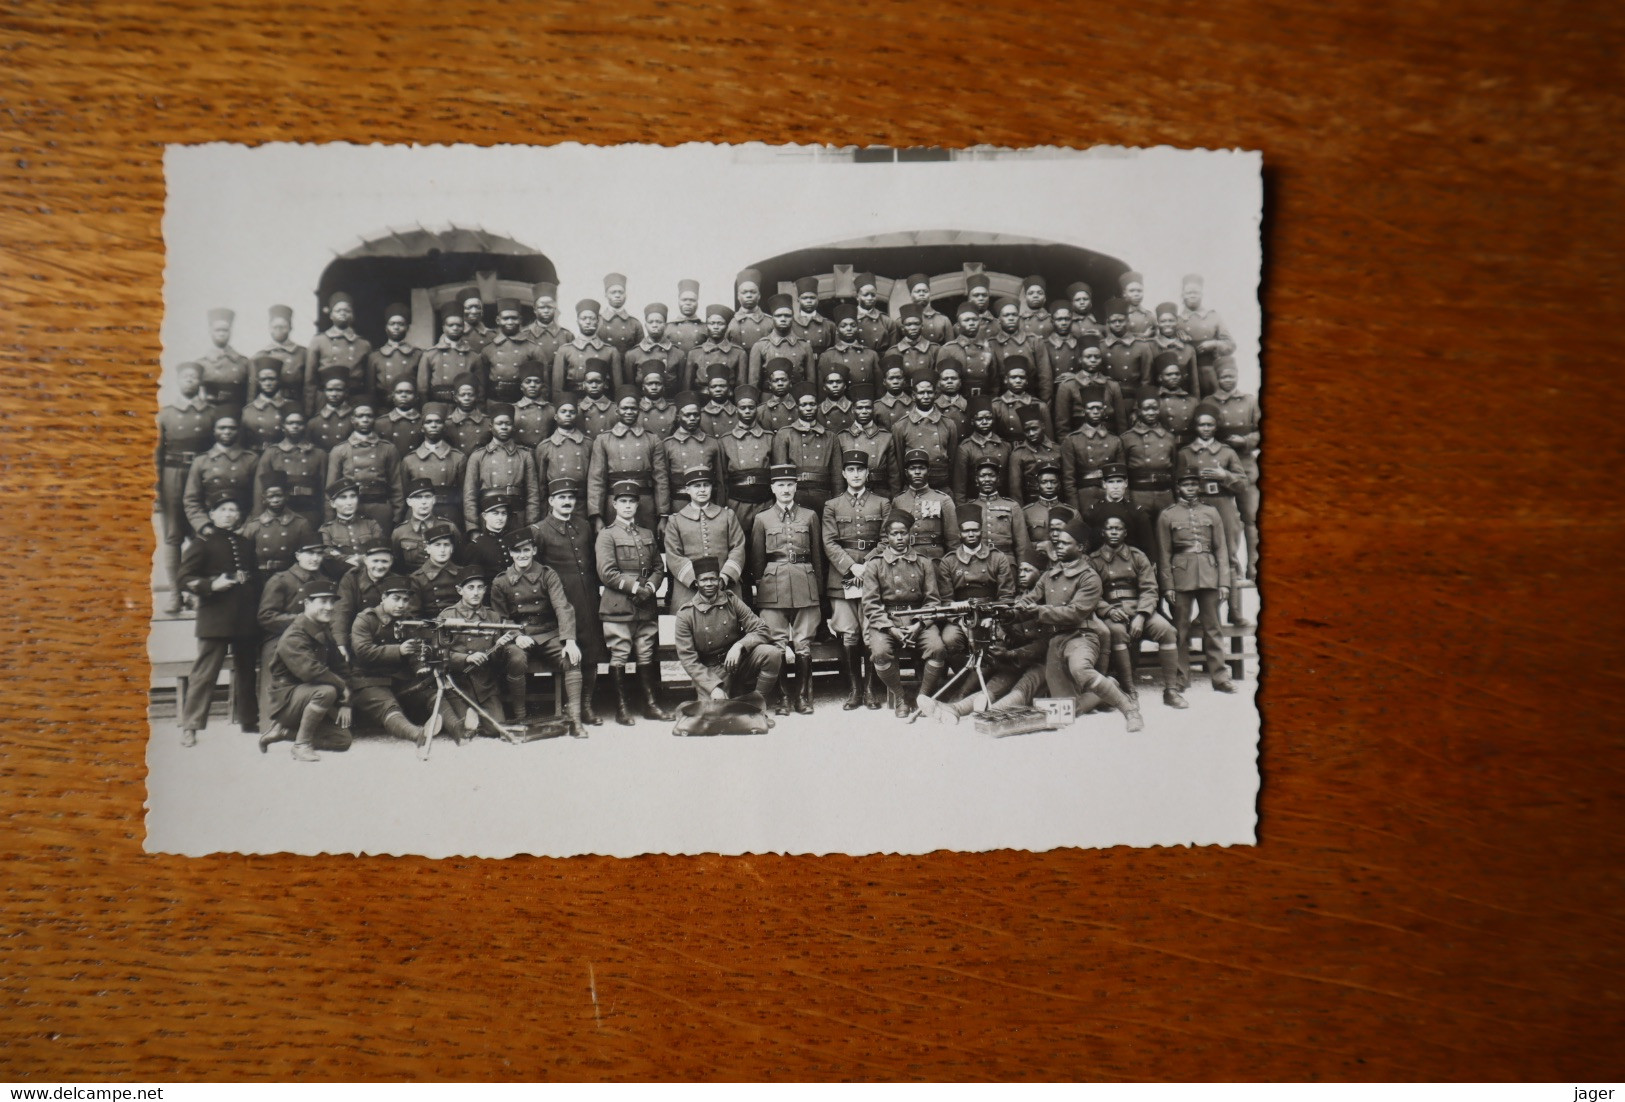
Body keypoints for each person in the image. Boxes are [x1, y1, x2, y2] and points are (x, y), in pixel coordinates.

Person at [1019, 515, 1144, 730]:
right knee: (1068, 709)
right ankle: (1108, 687)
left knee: (1081, 669)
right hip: (1056, 641)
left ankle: (1130, 710)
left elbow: (1075, 613)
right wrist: (1011, 608)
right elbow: (1029, 598)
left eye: (1066, 543)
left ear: (1081, 547)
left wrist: (1039, 610)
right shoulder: (1050, 574)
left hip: (1082, 636)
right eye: (1058, 543)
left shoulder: (1089, 578)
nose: (1059, 547)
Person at [176, 489, 260, 745]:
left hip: (245, 618)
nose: (228, 514)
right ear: (212, 514)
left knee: (247, 672)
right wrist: (210, 586)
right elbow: (183, 578)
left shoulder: (245, 544)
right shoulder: (201, 544)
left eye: (233, 510)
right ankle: (190, 726)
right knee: (204, 674)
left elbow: (254, 578)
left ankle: (248, 720)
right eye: (223, 510)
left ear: (239, 516)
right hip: (215, 619)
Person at [490, 530, 586, 737]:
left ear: (533, 550)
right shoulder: (501, 582)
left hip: (547, 632)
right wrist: (516, 635)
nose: (522, 555)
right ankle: (521, 716)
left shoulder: (547, 574)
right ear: (510, 554)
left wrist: (569, 640)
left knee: (572, 658)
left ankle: (576, 721)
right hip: (519, 634)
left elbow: (563, 607)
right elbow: (500, 618)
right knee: (515, 658)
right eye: (517, 551)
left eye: (526, 550)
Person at [749, 464, 824, 716]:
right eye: (780, 485)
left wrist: (819, 591)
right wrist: (760, 590)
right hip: (773, 587)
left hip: (805, 582)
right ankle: (783, 698)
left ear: (796, 487)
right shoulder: (762, 519)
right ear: (772, 488)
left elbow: (817, 556)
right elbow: (757, 560)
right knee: (777, 643)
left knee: (803, 644)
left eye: (790, 484)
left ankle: (802, 697)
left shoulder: (810, 516)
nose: (786, 489)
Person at [596, 480, 672, 724]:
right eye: (623, 502)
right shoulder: (607, 535)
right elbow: (607, 572)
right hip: (618, 605)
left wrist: (650, 587)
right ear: (615, 504)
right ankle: (621, 707)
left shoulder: (647, 534)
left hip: (645, 605)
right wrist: (635, 587)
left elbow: (659, 567)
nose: (627, 506)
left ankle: (650, 704)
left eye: (632, 502)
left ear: (637, 505)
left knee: (645, 652)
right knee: (619, 653)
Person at [531, 477, 605, 726]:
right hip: (561, 601)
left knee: (591, 651)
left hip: (588, 598)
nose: (567, 502)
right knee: (571, 652)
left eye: (571, 497)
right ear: (551, 501)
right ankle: (569, 704)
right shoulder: (539, 530)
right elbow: (538, 572)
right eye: (561, 498)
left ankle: (586, 706)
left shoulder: (583, 526)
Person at [1091, 515, 1185, 710]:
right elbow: (1090, 593)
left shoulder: (1137, 556)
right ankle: (1129, 691)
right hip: (1113, 613)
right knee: (1116, 632)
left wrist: (1142, 616)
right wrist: (1108, 610)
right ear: (1103, 533)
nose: (1114, 532)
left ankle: (1171, 690)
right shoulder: (1094, 560)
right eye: (1110, 528)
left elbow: (1150, 589)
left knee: (1167, 630)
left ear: (1125, 533)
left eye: (1119, 529)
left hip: (1140, 610)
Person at [862, 508, 947, 718]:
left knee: (937, 648)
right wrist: (890, 628)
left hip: (918, 618)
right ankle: (900, 697)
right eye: (894, 534)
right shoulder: (875, 564)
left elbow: (932, 599)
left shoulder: (924, 562)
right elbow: (871, 603)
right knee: (880, 653)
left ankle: (923, 698)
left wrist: (919, 624)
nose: (899, 538)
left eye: (903, 533)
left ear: (910, 534)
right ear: (887, 536)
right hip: (887, 620)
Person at [822, 450, 890, 710]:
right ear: (843, 474)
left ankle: (872, 689)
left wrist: (867, 565)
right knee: (849, 635)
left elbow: (885, 540)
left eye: (860, 470)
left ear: (867, 473)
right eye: (850, 470)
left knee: (870, 634)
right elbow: (829, 542)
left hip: (872, 577)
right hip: (843, 578)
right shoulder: (832, 505)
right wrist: (851, 566)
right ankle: (855, 689)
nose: (855, 474)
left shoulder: (882, 503)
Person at [1159, 469, 1236, 694]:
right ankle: (1181, 677)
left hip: (1209, 573)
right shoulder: (1168, 515)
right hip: (1181, 574)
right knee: (1180, 629)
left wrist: (1224, 582)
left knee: (1213, 627)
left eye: (1194, 484)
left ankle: (1220, 677)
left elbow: (1222, 549)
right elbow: (1164, 553)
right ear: (1178, 488)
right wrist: (1168, 585)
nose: (1191, 488)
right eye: (1186, 484)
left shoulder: (1211, 512)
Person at [674, 556, 787, 707]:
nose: (709, 584)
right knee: (715, 714)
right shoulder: (685, 614)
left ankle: (757, 704)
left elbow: (762, 629)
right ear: (696, 582)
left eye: (713, 579)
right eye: (704, 580)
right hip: (711, 671)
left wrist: (739, 645)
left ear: (719, 580)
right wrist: (713, 687)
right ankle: (732, 699)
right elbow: (688, 660)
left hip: (738, 661)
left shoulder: (731, 600)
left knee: (772, 653)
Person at [263, 578, 354, 762]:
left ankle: (285, 732)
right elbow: (310, 671)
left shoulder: (321, 629)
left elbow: (341, 667)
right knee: (326, 690)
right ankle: (301, 745)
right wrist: (341, 687)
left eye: (331, 602)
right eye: (323, 602)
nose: (329, 607)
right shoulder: (294, 634)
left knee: (342, 741)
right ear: (306, 603)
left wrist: (346, 702)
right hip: (287, 701)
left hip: (308, 696)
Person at [1178, 404, 1250, 626]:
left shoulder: (1227, 452)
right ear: (1196, 426)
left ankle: (1235, 611)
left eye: (1210, 424)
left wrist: (1224, 475)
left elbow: (1243, 483)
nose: (1206, 428)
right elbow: (1177, 484)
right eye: (1201, 424)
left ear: (1216, 426)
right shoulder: (1186, 453)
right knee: (1203, 557)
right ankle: (1204, 614)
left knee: (1228, 556)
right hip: (1198, 507)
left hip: (1223, 505)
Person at [255, 537, 326, 747]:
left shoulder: (322, 578)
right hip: (280, 637)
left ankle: (307, 724)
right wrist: (299, 621)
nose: (315, 558)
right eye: (310, 553)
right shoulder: (281, 580)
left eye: (319, 554)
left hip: (314, 638)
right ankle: (271, 724)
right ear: (298, 556)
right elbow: (266, 616)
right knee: (277, 661)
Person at [347, 576, 432, 750]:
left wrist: (420, 668)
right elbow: (363, 652)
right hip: (367, 680)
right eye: (396, 599)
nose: (401, 605)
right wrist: (399, 650)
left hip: (397, 680)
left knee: (430, 692)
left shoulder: (408, 620)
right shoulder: (365, 619)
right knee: (388, 706)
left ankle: (457, 727)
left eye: (405, 600)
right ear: (383, 597)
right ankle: (415, 734)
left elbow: (415, 651)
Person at [156, 361, 215, 613]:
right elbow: (156, 455)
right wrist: (156, 489)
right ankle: (174, 593)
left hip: (201, 474)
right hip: (173, 476)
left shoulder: (211, 413)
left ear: (200, 381)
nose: (190, 380)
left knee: (200, 534)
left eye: (194, 377)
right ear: (179, 381)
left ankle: (194, 590)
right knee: (173, 536)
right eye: (185, 377)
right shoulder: (166, 414)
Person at [935, 502, 1018, 674]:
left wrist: (994, 617)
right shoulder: (949, 561)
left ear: (982, 531)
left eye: (975, 530)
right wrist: (960, 622)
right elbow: (946, 600)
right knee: (949, 639)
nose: (971, 534)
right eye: (966, 531)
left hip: (992, 613)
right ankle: (966, 681)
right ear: (960, 533)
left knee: (1001, 640)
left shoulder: (998, 558)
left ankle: (993, 680)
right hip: (960, 616)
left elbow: (1006, 595)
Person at [435, 566, 516, 740]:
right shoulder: (447, 616)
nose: (476, 592)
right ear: (459, 590)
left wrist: (499, 646)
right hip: (458, 684)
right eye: (470, 588)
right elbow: (440, 652)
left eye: (480, 587)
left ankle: (478, 721)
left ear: (485, 590)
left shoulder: (493, 618)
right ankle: (469, 720)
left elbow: (497, 661)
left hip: (485, 684)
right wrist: (466, 658)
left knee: (496, 729)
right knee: (465, 725)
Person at [587, 386, 670, 533]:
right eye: (625, 408)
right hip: (614, 503)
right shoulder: (603, 440)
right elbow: (596, 479)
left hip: (645, 502)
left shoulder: (652, 439)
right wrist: (597, 515)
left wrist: (663, 515)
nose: (629, 412)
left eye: (633, 408)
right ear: (617, 410)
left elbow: (661, 479)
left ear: (639, 410)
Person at [664, 466, 746, 610]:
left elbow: (738, 548)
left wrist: (725, 576)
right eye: (697, 486)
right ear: (687, 490)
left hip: (724, 587)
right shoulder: (675, 520)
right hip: (688, 590)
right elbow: (673, 555)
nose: (702, 490)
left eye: (706, 485)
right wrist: (696, 580)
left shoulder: (727, 516)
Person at [1206, 360, 1260, 580]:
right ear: (1217, 379)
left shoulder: (1249, 401)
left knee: (1251, 518)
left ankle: (1255, 567)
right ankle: (1232, 568)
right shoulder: (1210, 402)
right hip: (1220, 466)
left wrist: (1245, 441)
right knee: (1228, 522)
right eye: (1223, 377)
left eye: (1231, 376)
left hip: (1246, 467)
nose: (1227, 381)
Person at [326, 402, 405, 531]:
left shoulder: (388, 448)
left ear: (374, 419)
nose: (365, 420)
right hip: (351, 510)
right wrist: (330, 519)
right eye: (360, 416)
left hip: (380, 509)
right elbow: (330, 490)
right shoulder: (340, 450)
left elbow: (397, 486)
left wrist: (397, 516)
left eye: (369, 416)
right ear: (352, 419)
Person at [462, 403, 542, 530]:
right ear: (490, 427)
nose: (504, 427)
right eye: (499, 424)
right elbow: (469, 496)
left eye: (508, 424)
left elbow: (533, 494)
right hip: (489, 518)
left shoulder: (524, 455)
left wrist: (531, 524)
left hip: (517, 517)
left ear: (513, 427)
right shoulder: (478, 456)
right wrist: (473, 527)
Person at [182, 410, 258, 538]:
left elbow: (258, 500)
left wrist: (247, 527)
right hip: (209, 529)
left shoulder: (251, 459)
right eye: (222, 428)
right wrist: (204, 526)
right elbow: (191, 500)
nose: (227, 432)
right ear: (214, 431)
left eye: (232, 428)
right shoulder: (201, 461)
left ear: (238, 431)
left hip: (243, 529)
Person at [771, 381, 839, 514]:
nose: (808, 408)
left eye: (812, 404)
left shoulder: (831, 437)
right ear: (797, 408)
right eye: (804, 405)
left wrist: (836, 503)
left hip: (823, 496)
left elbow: (837, 476)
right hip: (795, 496)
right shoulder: (785, 434)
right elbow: (780, 474)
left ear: (818, 406)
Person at [303, 292, 372, 415]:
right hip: (326, 400)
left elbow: (368, 383)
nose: (342, 313)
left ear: (352, 315)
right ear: (331, 315)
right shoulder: (319, 341)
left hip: (354, 399)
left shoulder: (363, 344)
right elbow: (310, 380)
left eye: (347, 310)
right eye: (338, 310)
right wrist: (309, 410)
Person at [719, 385, 775, 535]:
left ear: (757, 408)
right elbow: (722, 478)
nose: (747, 411)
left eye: (751, 407)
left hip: (765, 501)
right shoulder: (726, 440)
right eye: (742, 408)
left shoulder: (769, 438)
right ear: (736, 409)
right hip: (738, 503)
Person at [890, 369, 958, 493]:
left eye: (929, 392)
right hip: (913, 489)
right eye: (921, 393)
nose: (926, 396)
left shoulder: (948, 424)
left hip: (941, 487)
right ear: (914, 396)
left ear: (936, 394)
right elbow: (899, 463)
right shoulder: (901, 426)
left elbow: (953, 462)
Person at [401, 403, 466, 529]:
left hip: (449, 512)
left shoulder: (458, 458)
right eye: (429, 422)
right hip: (418, 514)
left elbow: (463, 494)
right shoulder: (409, 460)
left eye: (438, 422)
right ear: (422, 427)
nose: (433, 425)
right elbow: (404, 494)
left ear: (444, 427)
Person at [1060, 384, 1124, 513]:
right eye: (1091, 408)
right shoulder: (1072, 440)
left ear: (1104, 411)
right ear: (1084, 411)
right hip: (1084, 496)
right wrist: (1075, 508)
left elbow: (1122, 476)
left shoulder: (1114, 440)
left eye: (1099, 408)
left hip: (1110, 495)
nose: (1095, 411)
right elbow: (1068, 479)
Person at [333, 543, 402, 660]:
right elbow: (342, 611)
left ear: (391, 562)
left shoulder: (397, 581)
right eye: (375, 561)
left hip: (388, 638)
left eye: (384, 561)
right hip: (358, 637)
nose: (379, 566)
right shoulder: (351, 578)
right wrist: (340, 643)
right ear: (365, 560)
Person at [240, 470, 316, 576]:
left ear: (286, 496)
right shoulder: (253, 526)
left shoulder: (301, 524)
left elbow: (310, 556)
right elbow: (244, 558)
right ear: (264, 499)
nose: (275, 500)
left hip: (291, 575)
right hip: (260, 577)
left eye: (279, 495)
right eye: (271, 496)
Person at [1123, 389, 1178, 528]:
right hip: (1139, 495)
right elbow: (1123, 472)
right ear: (1139, 411)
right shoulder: (1127, 438)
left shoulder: (1169, 438)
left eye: (1154, 408)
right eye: (1146, 409)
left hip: (1164, 494)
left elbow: (1175, 470)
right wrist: (1127, 498)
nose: (1151, 412)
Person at [891, 449, 958, 562]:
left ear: (929, 471)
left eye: (922, 468)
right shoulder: (898, 501)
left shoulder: (943, 500)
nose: (917, 472)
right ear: (906, 472)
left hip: (934, 559)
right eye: (912, 468)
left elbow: (953, 540)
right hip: (905, 558)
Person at [834, 383, 900, 498]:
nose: (864, 411)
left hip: (880, 493)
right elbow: (838, 476)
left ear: (873, 409)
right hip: (851, 494)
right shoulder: (842, 437)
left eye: (868, 407)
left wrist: (895, 499)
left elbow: (894, 475)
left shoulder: (886, 437)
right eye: (859, 408)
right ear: (853, 410)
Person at [662, 395, 727, 508]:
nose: (692, 418)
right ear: (678, 416)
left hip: (707, 503)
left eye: (696, 415)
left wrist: (720, 505)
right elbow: (664, 482)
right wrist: (665, 511)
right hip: (679, 503)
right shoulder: (668, 445)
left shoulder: (712, 443)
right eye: (687, 415)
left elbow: (721, 480)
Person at [475, 298, 544, 405]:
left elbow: (544, 383)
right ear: (498, 320)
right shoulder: (488, 350)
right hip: (495, 402)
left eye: (514, 318)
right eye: (506, 318)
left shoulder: (533, 349)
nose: (510, 322)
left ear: (520, 320)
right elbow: (482, 382)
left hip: (522, 404)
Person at [553, 299, 624, 402]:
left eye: (591, 318)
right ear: (577, 321)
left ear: (598, 321)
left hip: (603, 404)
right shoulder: (565, 350)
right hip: (574, 404)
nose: (588, 322)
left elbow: (618, 389)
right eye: (583, 318)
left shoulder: (610, 351)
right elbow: (557, 389)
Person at [966, 456, 1033, 564]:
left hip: (1006, 561)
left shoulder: (1012, 506)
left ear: (998, 479)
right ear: (976, 480)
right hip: (978, 562)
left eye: (991, 475)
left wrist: (1023, 568)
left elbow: (1022, 544)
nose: (987, 479)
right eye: (982, 476)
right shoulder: (969, 507)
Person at [1082, 463, 1156, 558]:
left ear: (1126, 483)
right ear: (1104, 484)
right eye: (1111, 482)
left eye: (1119, 481)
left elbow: (1147, 545)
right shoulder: (1093, 512)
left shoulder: (1136, 512)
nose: (1115, 486)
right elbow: (1088, 546)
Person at [1177, 274, 1234, 397]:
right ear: (1182, 295)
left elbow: (1230, 346)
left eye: (1196, 292)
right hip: (1185, 374)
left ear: (1201, 294)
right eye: (1188, 292)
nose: (1192, 295)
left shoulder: (1213, 317)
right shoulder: (1177, 320)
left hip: (1209, 372)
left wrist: (1214, 344)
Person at [317, 478, 384, 581]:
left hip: (371, 577)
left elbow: (380, 548)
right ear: (333, 504)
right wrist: (351, 559)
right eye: (343, 497)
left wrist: (350, 558)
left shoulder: (371, 524)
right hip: (342, 579)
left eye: (353, 496)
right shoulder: (327, 529)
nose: (349, 502)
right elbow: (327, 556)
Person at [989, 296, 1053, 403]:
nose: (1011, 318)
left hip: (1030, 398)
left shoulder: (1033, 341)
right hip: (1002, 402)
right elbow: (992, 381)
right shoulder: (992, 344)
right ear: (999, 320)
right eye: (1006, 315)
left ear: (1019, 318)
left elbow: (1045, 376)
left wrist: (1044, 401)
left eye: (1014, 315)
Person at [748, 292, 815, 387]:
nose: (783, 319)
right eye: (778, 316)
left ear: (792, 318)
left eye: (787, 316)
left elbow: (810, 382)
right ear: (772, 318)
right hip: (768, 398)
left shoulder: (804, 346)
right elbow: (753, 382)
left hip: (796, 397)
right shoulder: (760, 346)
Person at [533, 393, 592, 501]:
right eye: (563, 411)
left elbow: (594, 480)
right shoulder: (545, 447)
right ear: (555, 416)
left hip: (581, 502)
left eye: (572, 412)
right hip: (555, 502)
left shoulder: (588, 444)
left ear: (576, 415)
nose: (568, 415)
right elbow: (541, 484)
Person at [418, 302, 478, 405]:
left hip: (464, 406)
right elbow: (422, 389)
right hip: (437, 406)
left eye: (459, 325)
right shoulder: (430, 354)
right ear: (443, 328)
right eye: (451, 325)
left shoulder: (473, 356)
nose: (455, 328)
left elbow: (479, 389)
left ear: (463, 327)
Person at [624, 302, 686, 397]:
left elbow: (681, 385)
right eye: (651, 322)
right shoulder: (633, 354)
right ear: (645, 325)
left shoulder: (678, 354)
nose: (654, 325)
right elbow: (631, 387)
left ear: (665, 325)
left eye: (659, 322)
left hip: (670, 402)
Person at [937, 302, 998, 397]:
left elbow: (994, 381)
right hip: (959, 401)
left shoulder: (988, 349)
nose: (971, 323)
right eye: (966, 320)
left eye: (975, 319)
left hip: (983, 400)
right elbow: (939, 382)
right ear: (958, 324)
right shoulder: (948, 349)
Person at [368, 303, 422, 408]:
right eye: (392, 324)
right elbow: (370, 390)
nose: (396, 327)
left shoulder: (417, 355)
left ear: (407, 328)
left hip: (409, 407)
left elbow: (421, 387)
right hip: (382, 407)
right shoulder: (374, 357)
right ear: (386, 327)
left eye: (401, 324)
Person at [255, 304, 308, 410]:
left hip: (296, 405)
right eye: (275, 327)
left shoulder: (303, 353)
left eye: (283, 326)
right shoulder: (261, 355)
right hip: (269, 408)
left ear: (290, 327)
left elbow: (309, 386)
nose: (278, 330)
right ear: (269, 328)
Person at [198, 306, 252, 409]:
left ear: (230, 332)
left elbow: (250, 396)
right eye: (217, 330)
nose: (221, 334)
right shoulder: (201, 364)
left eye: (225, 330)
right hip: (210, 414)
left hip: (236, 413)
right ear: (210, 331)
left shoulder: (243, 363)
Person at [1007, 405, 1062, 505]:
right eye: (1027, 430)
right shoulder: (1018, 454)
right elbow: (1016, 492)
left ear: (1043, 426)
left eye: (1034, 428)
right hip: (1031, 504)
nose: (1031, 433)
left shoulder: (1057, 450)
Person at [817, 301, 879, 387]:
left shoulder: (871, 354)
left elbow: (879, 386)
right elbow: (822, 387)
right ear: (837, 330)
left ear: (857, 328)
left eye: (853, 325)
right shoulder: (827, 356)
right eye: (843, 326)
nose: (849, 328)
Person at [408, 521, 464, 617]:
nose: (442, 550)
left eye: (446, 545)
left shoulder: (462, 573)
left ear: (452, 548)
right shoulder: (417, 579)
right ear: (428, 548)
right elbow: (414, 615)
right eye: (437, 545)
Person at [688, 303, 748, 391]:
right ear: (706, 326)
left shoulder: (738, 353)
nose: (715, 327)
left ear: (727, 327)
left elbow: (741, 385)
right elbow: (687, 386)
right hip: (700, 399)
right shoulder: (694, 353)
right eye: (712, 323)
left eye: (720, 324)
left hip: (728, 399)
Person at [523, 282, 574, 381]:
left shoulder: (566, 335)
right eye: (542, 307)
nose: (546, 311)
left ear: (555, 308)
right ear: (535, 309)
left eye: (549, 307)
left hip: (560, 383)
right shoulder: (525, 334)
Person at [991, 357, 1050, 443]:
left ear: (1027, 381)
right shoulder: (996, 406)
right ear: (1005, 380)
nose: (1018, 381)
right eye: (1013, 377)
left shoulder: (1040, 406)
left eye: (1022, 377)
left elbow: (1048, 440)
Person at [240, 359, 295, 451]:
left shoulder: (290, 407)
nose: (268, 383)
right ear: (258, 381)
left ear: (278, 380)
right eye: (263, 380)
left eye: (272, 379)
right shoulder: (248, 411)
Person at [1150, 302, 1202, 398]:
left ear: (1177, 321)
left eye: (1171, 320)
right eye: (1163, 321)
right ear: (1157, 322)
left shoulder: (1188, 349)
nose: (1167, 324)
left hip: (1183, 402)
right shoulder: (1151, 347)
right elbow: (1147, 380)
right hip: (1159, 401)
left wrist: (1195, 403)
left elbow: (1194, 383)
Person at [1100, 299, 1153, 391]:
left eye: (1121, 321)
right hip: (1109, 395)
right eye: (1113, 321)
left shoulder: (1141, 346)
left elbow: (1146, 379)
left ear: (1127, 320)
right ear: (1108, 323)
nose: (1117, 324)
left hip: (1133, 394)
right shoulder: (1101, 346)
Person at [392, 478, 442, 573]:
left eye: (428, 496)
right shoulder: (399, 532)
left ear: (434, 500)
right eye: (418, 497)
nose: (424, 502)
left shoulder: (448, 527)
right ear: (409, 502)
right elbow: (397, 567)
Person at [464, 491, 516, 580]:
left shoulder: (513, 540)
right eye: (495, 513)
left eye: (504, 513)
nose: (500, 518)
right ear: (484, 516)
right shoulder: (476, 546)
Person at [1153, 355, 1199, 443]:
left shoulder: (1192, 401)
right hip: (1162, 444)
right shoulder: (1154, 400)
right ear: (1160, 377)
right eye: (1169, 374)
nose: (1174, 377)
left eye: (1177, 374)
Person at [727, 268, 775, 353]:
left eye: (753, 292)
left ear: (759, 295)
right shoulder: (730, 322)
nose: (749, 295)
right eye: (744, 292)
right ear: (738, 296)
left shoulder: (770, 322)